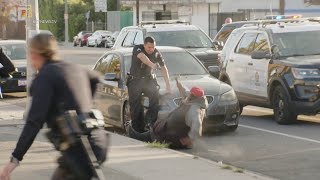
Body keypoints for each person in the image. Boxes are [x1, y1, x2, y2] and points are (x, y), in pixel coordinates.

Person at [0, 33, 105, 180]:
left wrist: (14, 160)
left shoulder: (45, 77)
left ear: (34, 54)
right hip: (96, 141)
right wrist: (87, 108)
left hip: (79, 149)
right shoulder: (73, 67)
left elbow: (33, 122)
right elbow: (96, 78)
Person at [126, 77, 208, 149]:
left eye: (190, 94)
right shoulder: (195, 100)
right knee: (154, 129)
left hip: (173, 138)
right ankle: (146, 134)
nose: (188, 94)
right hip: (168, 131)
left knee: (145, 137)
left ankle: (139, 136)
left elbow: (197, 126)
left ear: (192, 96)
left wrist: (189, 139)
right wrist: (178, 83)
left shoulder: (194, 110)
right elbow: (185, 91)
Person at [127, 36, 172, 133]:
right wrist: (152, 65)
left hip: (148, 80)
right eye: (149, 47)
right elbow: (143, 57)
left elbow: (164, 69)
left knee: (155, 97)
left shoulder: (156, 53)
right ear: (144, 45)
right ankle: (137, 129)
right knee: (136, 106)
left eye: (153, 47)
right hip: (135, 81)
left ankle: (151, 123)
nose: (151, 49)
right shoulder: (138, 48)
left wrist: (168, 86)